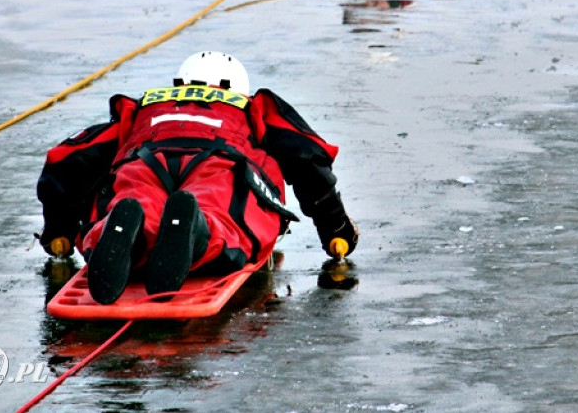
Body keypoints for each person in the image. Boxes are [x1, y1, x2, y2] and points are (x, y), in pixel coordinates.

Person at [36, 51, 358, 305]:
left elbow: (66, 160)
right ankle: (197, 231)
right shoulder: (253, 107)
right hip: (220, 161)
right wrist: (335, 227)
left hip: (146, 157)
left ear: (180, 83)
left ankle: (119, 230)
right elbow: (307, 156)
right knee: (221, 213)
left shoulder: (141, 107)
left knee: (132, 195)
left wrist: (58, 229)